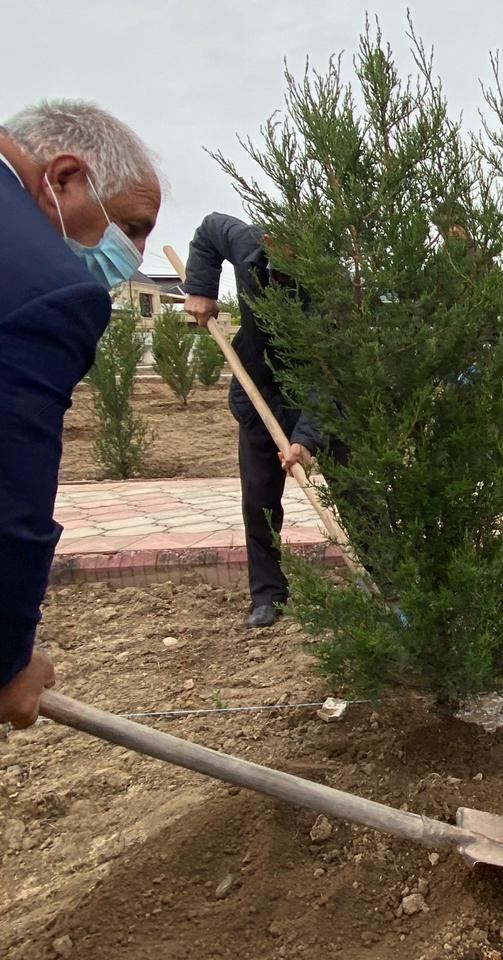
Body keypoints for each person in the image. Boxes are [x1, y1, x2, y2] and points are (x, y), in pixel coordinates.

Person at [0, 101, 161, 727]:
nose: (134, 252)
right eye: (132, 226)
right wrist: (8, 660)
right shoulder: (46, 288)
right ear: (65, 178)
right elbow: (10, 504)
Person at [183, 213, 329, 628]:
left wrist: (306, 440)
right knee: (259, 501)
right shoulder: (247, 245)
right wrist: (200, 289)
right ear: (269, 243)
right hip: (258, 391)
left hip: (317, 395)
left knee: (356, 494)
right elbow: (208, 228)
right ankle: (267, 595)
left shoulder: (327, 286)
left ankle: (381, 582)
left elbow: (328, 378)